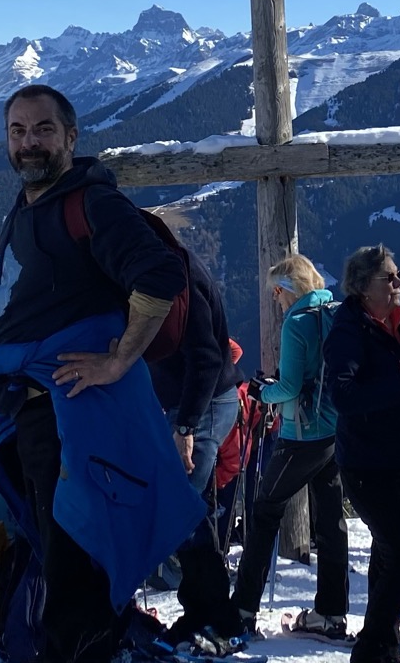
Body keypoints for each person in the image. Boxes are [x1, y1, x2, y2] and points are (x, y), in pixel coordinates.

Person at [0, 84, 202, 663]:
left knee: (77, 568)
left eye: (42, 129)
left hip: (79, 421)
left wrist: (119, 359)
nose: (28, 142)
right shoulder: (29, 206)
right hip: (42, 412)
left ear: (70, 136)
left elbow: (159, 275)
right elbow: (20, 316)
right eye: (17, 131)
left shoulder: (91, 203)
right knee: (63, 557)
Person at [231, 254, 351, 640]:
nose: (276, 301)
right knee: (331, 521)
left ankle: (244, 608)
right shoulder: (335, 312)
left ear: (285, 290)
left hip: (302, 436)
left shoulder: (296, 324)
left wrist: (262, 391)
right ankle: (332, 614)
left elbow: (290, 388)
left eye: (276, 294)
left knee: (265, 511)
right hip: (335, 430)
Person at [326, 245, 400, 663]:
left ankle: (384, 646)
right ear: (362, 286)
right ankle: (371, 647)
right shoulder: (349, 332)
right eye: (388, 277)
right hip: (368, 462)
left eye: (399, 275)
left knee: (388, 554)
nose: (398, 282)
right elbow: (344, 396)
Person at [145, 269, 246, 649]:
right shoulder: (173, 275)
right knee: (188, 507)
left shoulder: (173, 282)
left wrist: (185, 427)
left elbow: (204, 358)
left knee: (183, 508)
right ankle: (209, 610)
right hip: (192, 404)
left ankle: (214, 614)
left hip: (199, 406)